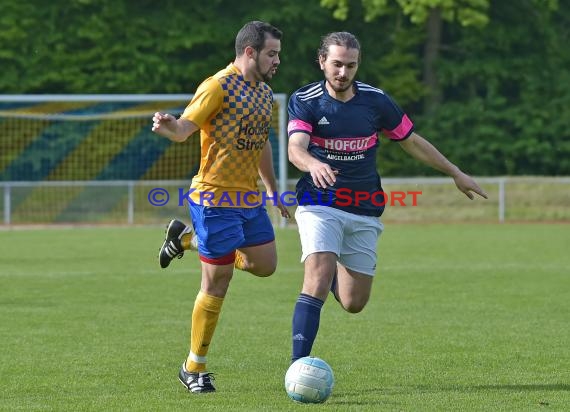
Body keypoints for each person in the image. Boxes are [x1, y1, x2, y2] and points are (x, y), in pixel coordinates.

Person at [287, 32, 487, 363]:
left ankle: (334, 266)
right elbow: (296, 148)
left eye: (350, 65)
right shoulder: (306, 100)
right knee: (317, 279)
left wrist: (455, 171)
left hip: (364, 208)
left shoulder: (376, 101)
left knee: (354, 302)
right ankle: (298, 367)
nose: (342, 73)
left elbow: (410, 140)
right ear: (322, 61)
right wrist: (313, 163)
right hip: (319, 203)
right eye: (336, 64)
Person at [151, 20, 289, 393]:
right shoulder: (217, 86)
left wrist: (275, 191)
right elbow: (183, 129)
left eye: (277, 53)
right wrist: (169, 126)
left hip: (248, 198)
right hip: (213, 198)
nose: (277, 60)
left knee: (266, 265)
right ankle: (193, 367)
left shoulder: (262, 93)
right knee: (218, 279)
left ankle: (183, 240)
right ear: (249, 52)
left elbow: (260, 143)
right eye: (271, 53)